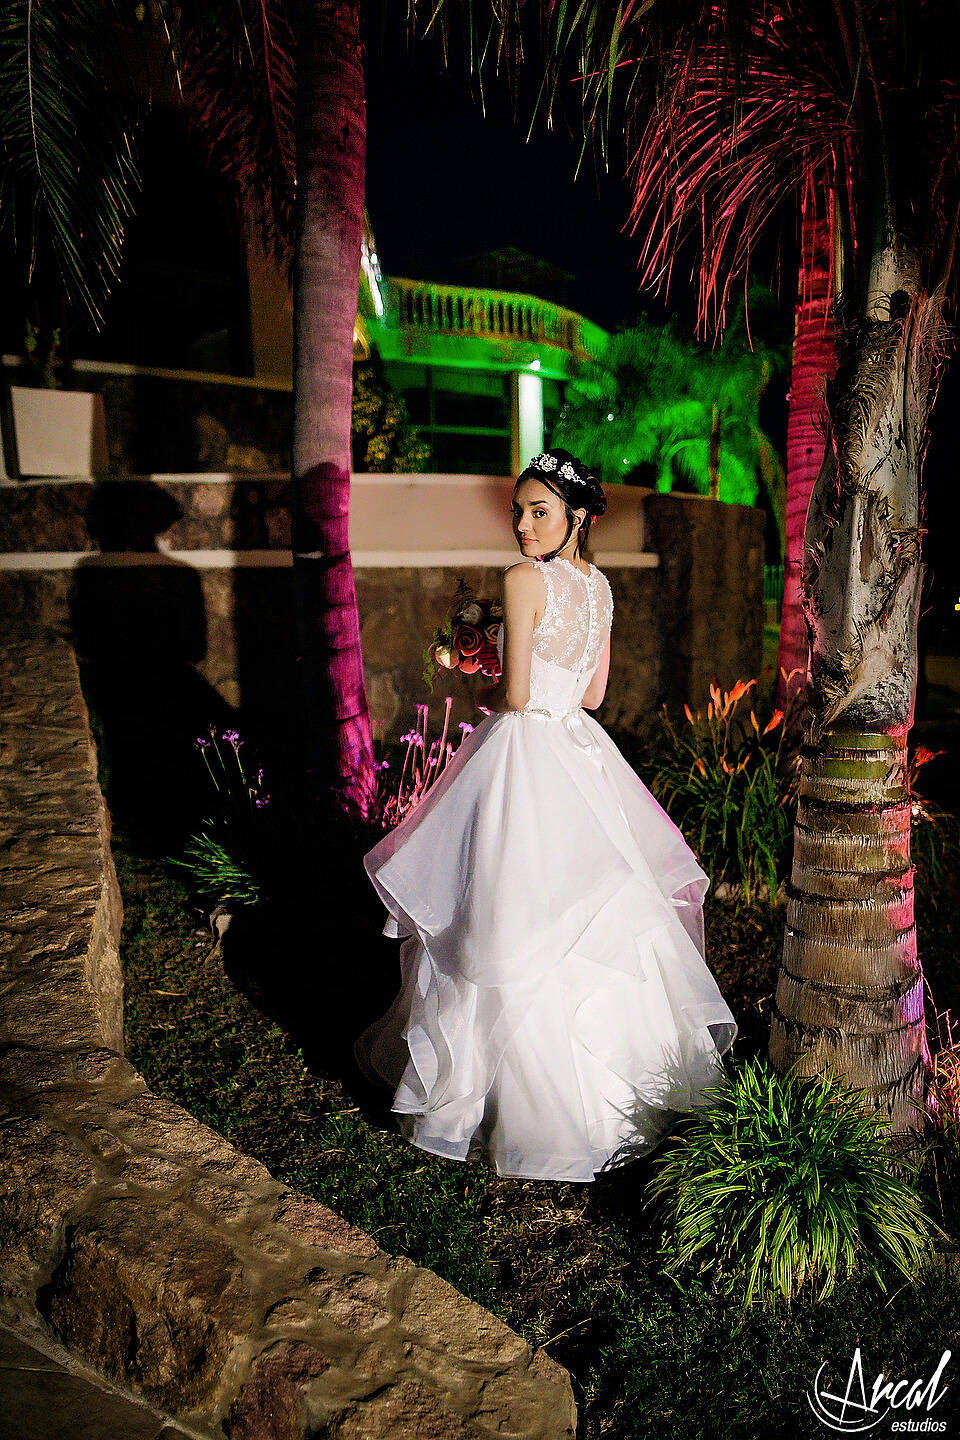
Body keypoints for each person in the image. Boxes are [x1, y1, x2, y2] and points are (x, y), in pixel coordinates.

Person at [355, 448, 737, 1183]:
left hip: (527, 751)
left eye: (540, 512)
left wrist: (495, 666)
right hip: (582, 753)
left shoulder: (523, 582)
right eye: (519, 513)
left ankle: (476, 1101)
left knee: (502, 912)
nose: (525, 527)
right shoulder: (600, 588)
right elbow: (590, 697)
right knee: (596, 907)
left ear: (576, 517)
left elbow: (519, 698)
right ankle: (624, 1102)